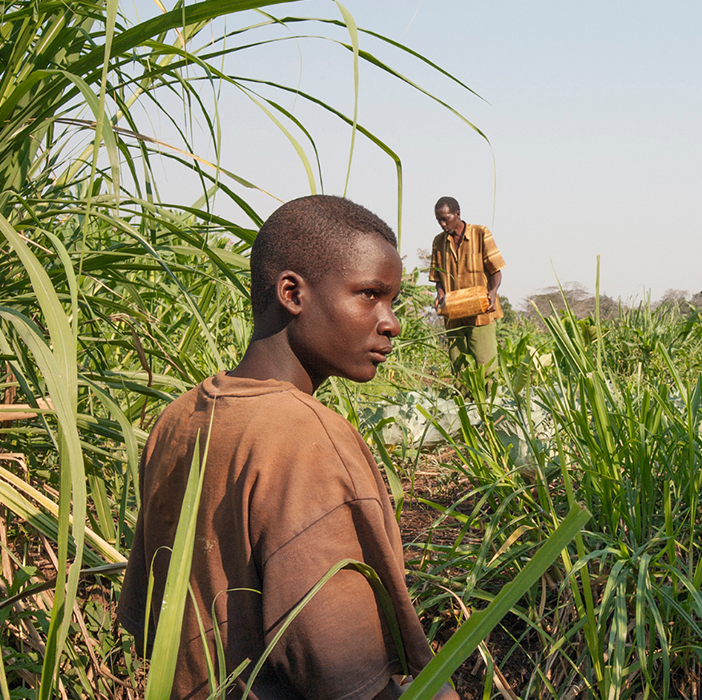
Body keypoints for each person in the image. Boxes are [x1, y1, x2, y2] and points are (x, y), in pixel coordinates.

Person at [119, 196, 458, 700]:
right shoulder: (308, 439)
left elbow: (151, 620)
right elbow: (344, 673)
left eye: (391, 302)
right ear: (292, 293)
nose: (391, 323)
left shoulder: (178, 417)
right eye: (369, 295)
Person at [429, 196, 506, 374]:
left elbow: (496, 271)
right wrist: (440, 295)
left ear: (457, 214)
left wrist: (493, 293)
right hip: (453, 315)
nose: (442, 224)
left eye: (445, 219)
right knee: (459, 369)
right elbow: (438, 278)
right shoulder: (438, 242)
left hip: (481, 313)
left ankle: (487, 402)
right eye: (438, 220)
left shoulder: (480, 234)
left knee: (486, 369)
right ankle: (463, 401)